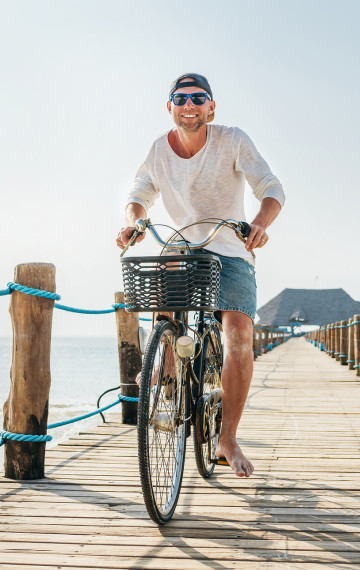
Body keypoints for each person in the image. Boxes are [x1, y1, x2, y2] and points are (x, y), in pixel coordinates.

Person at [117, 73, 285, 477]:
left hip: (229, 248)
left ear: (211, 107)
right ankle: (166, 374)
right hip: (180, 246)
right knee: (164, 310)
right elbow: (139, 194)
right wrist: (134, 223)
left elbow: (271, 187)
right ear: (170, 106)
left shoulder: (232, 139)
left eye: (198, 98)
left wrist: (261, 223)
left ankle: (227, 439)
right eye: (181, 98)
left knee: (239, 337)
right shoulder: (159, 150)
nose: (189, 104)